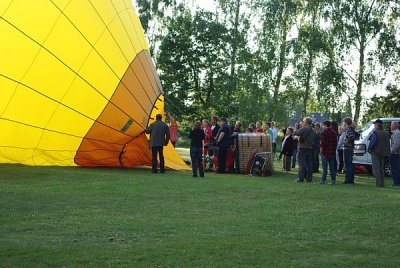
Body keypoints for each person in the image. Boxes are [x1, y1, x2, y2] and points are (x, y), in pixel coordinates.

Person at [368, 119, 390, 187]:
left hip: (376, 153)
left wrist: (369, 149)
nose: (374, 125)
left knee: (376, 169)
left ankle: (378, 184)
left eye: (375, 124)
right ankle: (382, 183)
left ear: (377, 125)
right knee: (381, 169)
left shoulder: (375, 133)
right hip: (383, 153)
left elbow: (372, 143)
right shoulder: (386, 133)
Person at [294, 117, 315, 182]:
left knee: (301, 164)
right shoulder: (312, 129)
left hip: (303, 148)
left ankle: (301, 178)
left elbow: (296, 132)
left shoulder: (305, 128)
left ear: (306, 122)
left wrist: (296, 127)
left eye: (303, 121)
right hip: (309, 148)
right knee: (309, 164)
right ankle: (309, 178)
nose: (302, 122)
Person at [342, 117, 356, 184]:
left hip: (347, 149)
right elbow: (357, 135)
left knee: (348, 165)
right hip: (351, 148)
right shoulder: (352, 129)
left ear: (346, 123)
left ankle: (348, 180)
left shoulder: (348, 129)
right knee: (350, 164)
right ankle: (351, 179)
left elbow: (352, 136)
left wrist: (346, 141)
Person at [390, 121, 400, 186]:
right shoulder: (395, 133)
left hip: (395, 154)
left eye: (391, 125)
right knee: (395, 168)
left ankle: (396, 182)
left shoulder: (397, 134)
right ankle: (396, 182)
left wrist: (391, 151)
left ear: (395, 126)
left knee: (395, 169)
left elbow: (396, 145)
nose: (390, 126)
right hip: (395, 153)